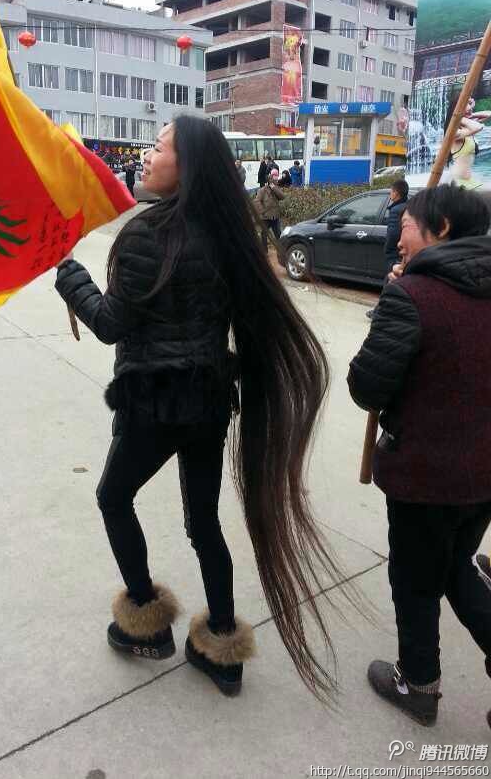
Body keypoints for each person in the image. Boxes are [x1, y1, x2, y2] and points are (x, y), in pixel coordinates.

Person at [55, 116, 344, 699]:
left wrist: (70, 276)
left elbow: (110, 324)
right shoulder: (227, 236)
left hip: (155, 402)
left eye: (158, 149)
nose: (147, 156)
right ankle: (222, 650)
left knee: (113, 496)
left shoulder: (145, 235)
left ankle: (145, 621)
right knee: (203, 521)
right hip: (210, 402)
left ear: (185, 165)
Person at [348, 184, 491, 728]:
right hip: (484, 475)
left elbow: (368, 386)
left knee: (415, 580)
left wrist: (394, 304)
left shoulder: (414, 296)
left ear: (442, 229)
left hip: (426, 478)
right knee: (454, 566)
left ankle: (418, 684)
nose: (397, 235)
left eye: (404, 224)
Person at [365, 179, 409, 320]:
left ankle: (380, 312)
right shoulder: (408, 207)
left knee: (391, 280)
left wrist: (389, 250)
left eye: (391, 191)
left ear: (396, 193)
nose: (391, 194)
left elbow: (393, 234)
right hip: (404, 251)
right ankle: (380, 310)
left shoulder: (396, 210)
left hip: (395, 253)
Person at [444, 95, 491, 190]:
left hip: (468, 181)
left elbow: (489, 114)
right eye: (467, 104)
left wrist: (470, 114)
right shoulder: (455, 132)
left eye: (470, 104)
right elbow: (478, 127)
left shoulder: (466, 128)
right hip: (458, 182)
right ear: (458, 107)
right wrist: (458, 116)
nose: (470, 107)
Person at [253, 168, 284, 252]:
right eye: (271, 181)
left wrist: (274, 188)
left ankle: (282, 250)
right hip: (265, 217)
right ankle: (264, 250)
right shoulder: (262, 190)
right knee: (264, 234)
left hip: (275, 216)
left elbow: (282, 197)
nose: (273, 182)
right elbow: (256, 201)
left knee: (278, 234)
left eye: (273, 181)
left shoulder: (276, 189)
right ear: (267, 182)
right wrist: (262, 211)